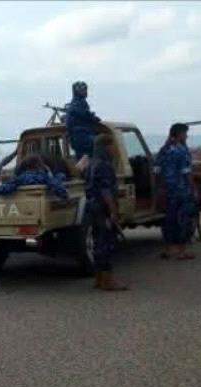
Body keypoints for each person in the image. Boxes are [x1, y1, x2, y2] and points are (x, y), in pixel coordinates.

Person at [84, 134, 129, 291]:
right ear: (105, 147)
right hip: (103, 208)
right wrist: (113, 211)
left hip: (92, 208)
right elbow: (106, 191)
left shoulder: (90, 163)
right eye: (112, 145)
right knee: (107, 243)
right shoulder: (104, 165)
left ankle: (99, 279)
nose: (114, 149)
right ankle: (108, 281)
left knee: (97, 242)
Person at [155, 123, 197, 260]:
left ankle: (168, 249)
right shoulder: (181, 151)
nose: (187, 136)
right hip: (181, 190)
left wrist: (160, 189)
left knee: (169, 221)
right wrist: (193, 189)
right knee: (182, 220)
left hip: (167, 191)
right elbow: (186, 172)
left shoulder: (164, 150)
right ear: (180, 134)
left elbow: (157, 171)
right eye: (185, 133)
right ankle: (181, 251)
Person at [0, 155, 68, 200]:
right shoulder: (43, 176)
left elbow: (7, 187)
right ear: (39, 165)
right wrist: (64, 194)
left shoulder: (20, 178)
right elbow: (55, 185)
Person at [65, 81, 101, 163]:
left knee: (83, 159)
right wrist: (94, 118)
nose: (86, 92)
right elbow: (84, 114)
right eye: (83, 90)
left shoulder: (76, 103)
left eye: (85, 89)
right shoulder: (78, 102)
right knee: (99, 142)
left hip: (78, 137)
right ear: (78, 91)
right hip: (81, 136)